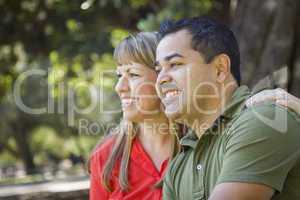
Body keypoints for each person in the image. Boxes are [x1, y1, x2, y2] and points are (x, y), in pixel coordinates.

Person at [155, 17, 300, 200]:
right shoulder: (178, 167)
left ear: (220, 69)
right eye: (158, 69)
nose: (161, 79)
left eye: (174, 64)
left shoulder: (264, 119)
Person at [89, 32, 179, 200]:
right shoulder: (105, 156)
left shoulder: (198, 147)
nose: (119, 87)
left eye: (133, 74)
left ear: (163, 79)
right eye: (119, 75)